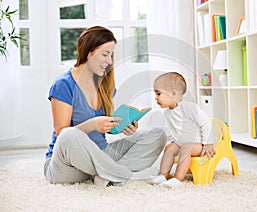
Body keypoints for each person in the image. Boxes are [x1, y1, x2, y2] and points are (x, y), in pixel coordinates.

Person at [43, 26, 167, 187]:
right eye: (105, 54)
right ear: (89, 53)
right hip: (67, 166)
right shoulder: (64, 84)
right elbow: (61, 134)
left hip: (100, 156)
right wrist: (93, 124)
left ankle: (106, 174)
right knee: (69, 135)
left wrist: (120, 126)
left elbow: (104, 125)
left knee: (158, 135)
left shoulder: (104, 84)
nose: (109, 61)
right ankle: (124, 175)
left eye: (111, 55)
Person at [148, 72, 215, 187]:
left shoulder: (189, 108)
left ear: (173, 93)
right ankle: (163, 175)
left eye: (158, 94)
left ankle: (178, 179)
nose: (156, 97)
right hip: (181, 143)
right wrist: (174, 140)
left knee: (186, 148)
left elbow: (206, 122)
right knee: (169, 148)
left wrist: (208, 143)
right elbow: (176, 129)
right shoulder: (168, 112)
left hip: (197, 144)